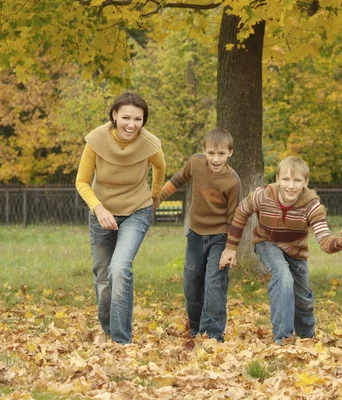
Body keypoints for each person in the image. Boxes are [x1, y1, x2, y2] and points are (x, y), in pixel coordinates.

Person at [219, 156, 342, 345]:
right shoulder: (263, 195)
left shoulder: (311, 206)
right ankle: (283, 338)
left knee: (303, 299)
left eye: (297, 180)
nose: (291, 186)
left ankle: (307, 336)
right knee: (283, 277)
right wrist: (231, 248)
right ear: (277, 179)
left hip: (296, 251)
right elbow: (242, 211)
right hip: (266, 242)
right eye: (286, 179)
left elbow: (324, 241)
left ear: (305, 182)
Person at [75, 91, 166, 344]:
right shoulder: (96, 141)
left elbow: (160, 166)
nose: (131, 124)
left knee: (120, 269)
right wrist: (99, 209)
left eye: (138, 119)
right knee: (103, 276)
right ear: (114, 115)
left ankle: (121, 340)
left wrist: (155, 195)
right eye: (125, 117)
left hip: (137, 211)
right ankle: (108, 330)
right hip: (102, 213)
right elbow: (82, 182)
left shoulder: (149, 144)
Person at [160, 128, 240, 346]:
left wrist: (231, 248)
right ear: (204, 150)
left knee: (215, 284)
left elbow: (235, 218)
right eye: (211, 153)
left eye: (221, 154)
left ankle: (212, 335)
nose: (216, 159)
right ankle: (196, 329)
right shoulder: (195, 163)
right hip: (195, 235)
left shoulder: (232, 181)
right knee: (191, 284)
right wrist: (157, 198)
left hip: (220, 239)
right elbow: (178, 179)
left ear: (230, 153)